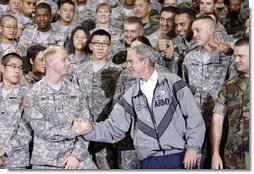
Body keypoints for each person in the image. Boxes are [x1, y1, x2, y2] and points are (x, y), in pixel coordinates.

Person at [73, 44, 206, 169]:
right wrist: (89, 129)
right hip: (150, 161)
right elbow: (113, 128)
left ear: (145, 61)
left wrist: (193, 148)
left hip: (181, 157)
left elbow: (194, 117)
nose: (127, 66)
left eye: (131, 61)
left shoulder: (173, 82)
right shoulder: (130, 96)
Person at [23, 46, 97, 169]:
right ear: (50, 62)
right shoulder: (33, 94)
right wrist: (73, 131)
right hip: (46, 162)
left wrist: (76, 156)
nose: (68, 62)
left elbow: (86, 125)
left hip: (77, 161)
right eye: (64, 59)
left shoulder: (75, 90)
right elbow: (41, 129)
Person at [182, 16, 236, 168]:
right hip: (195, 123)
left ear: (211, 30)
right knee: (193, 165)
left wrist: (230, 51)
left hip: (220, 122)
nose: (194, 35)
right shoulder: (189, 57)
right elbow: (185, 90)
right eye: (193, 31)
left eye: (198, 30)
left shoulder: (228, 57)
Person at [74, 29, 122, 169]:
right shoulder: (78, 70)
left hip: (105, 131)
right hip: (82, 130)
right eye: (97, 43)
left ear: (110, 47)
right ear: (90, 46)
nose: (100, 47)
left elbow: (118, 104)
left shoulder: (117, 71)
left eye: (104, 44)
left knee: (106, 167)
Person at [211, 37, 249, 169]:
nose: (236, 60)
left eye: (241, 56)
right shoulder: (229, 85)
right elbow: (218, 118)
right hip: (234, 158)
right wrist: (215, 153)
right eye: (235, 56)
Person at [0, 53, 31, 169]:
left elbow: (28, 128)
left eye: (20, 67)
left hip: (16, 161)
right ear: (2, 68)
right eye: (13, 66)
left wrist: (3, 150)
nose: (17, 71)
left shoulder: (28, 94)